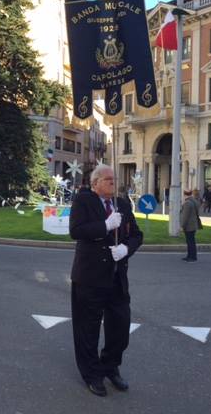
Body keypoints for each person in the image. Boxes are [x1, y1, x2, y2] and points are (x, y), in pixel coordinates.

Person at [68, 164, 143, 397]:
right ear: (96, 183)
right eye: (108, 179)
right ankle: (92, 374)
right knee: (88, 329)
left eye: (114, 178)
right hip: (90, 277)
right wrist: (105, 226)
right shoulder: (84, 201)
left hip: (116, 278)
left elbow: (137, 235)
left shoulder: (122, 203)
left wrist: (125, 248)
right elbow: (76, 230)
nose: (113, 182)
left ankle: (110, 365)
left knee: (120, 327)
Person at [180, 189, 202, 262]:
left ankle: (191, 256)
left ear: (184, 194)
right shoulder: (194, 201)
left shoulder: (187, 203)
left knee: (190, 242)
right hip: (193, 224)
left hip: (189, 225)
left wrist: (182, 226)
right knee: (191, 241)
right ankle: (191, 255)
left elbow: (185, 216)